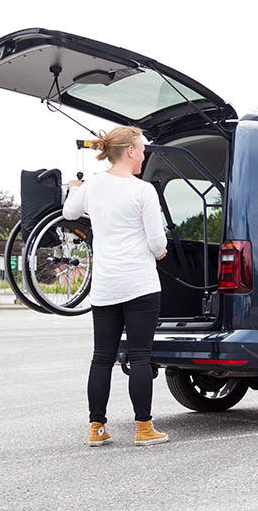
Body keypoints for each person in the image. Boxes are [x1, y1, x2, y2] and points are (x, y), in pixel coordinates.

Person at [63, 126, 170, 446]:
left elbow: (70, 212)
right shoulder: (143, 191)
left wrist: (74, 188)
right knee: (140, 356)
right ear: (130, 151)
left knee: (101, 357)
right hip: (140, 284)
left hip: (106, 286)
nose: (144, 155)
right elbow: (156, 242)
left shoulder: (94, 184)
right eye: (141, 149)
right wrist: (161, 251)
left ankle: (97, 428)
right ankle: (143, 428)